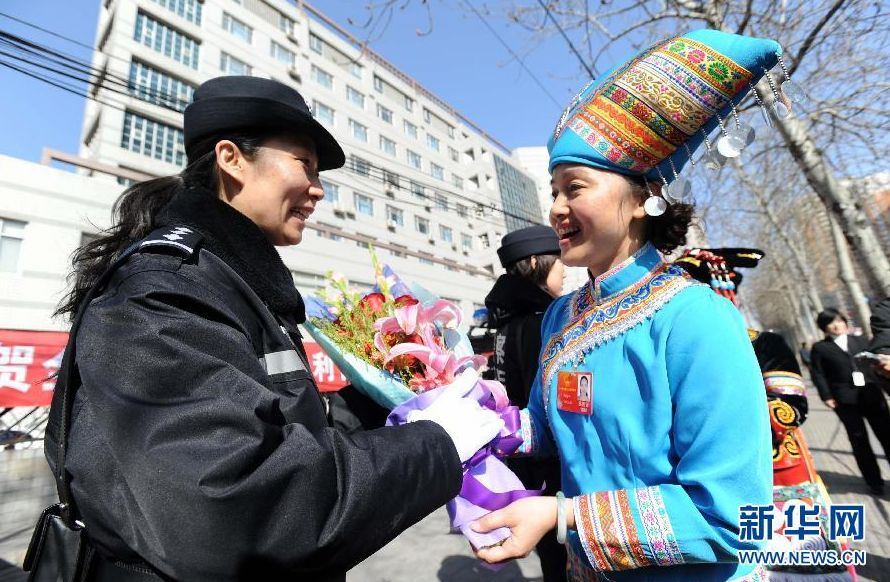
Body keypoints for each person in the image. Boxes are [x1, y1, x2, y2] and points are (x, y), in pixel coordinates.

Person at [44, 76, 503, 581]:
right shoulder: (162, 294)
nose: (318, 189)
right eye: (304, 163)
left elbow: (279, 427)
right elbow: (238, 505)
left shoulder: (232, 283)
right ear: (231, 158)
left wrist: (393, 398)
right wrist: (438, 443)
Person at [472, 29, 778, 581]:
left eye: (575, 187)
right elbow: (551, 428)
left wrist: (564, 515)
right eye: (554, 192)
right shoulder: (562, 317)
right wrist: (480, 422)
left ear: (641, 200)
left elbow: (733, 516)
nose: (557, 209)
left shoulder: (696, 318)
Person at [675, 248, 854, 581]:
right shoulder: (679, 348)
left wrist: (720, 416)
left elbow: (790, 409)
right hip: (699, 474)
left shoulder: (764, 344)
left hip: (774, 469)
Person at [484, 224, 567, 581]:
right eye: (558, 262)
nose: (563, 272)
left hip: (521, 456)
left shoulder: (506, 322)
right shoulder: (539, 322)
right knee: (560, 556)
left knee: (551, 554)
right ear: (536, 262)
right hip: (548, 461)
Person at [811, 308, 890, 495]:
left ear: (845, 322)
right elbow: (819, 375)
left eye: (839, 320)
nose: (836, 325)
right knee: (858, 439)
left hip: (872, 394)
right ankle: (874, 481)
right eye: (831, 322)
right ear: (824, 327)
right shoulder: (820, 348)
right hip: (845, 400)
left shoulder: (862, 341)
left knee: (887, 435)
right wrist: (827, 396)